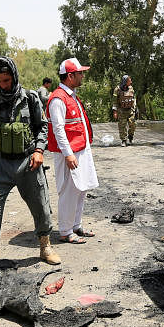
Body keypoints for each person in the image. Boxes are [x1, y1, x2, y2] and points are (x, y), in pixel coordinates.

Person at [0, 56, 61, 279]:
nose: (3, 85)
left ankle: (45, 246)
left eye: (6, 80)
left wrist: (39, 151)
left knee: (41, 207)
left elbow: (42, 127)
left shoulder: (30, 98)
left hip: (27, 161)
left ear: (14, 76)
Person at [46, 58, 99, 244]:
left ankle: (76, 225)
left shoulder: (71, 95)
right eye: (80, 73)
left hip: (80, 149)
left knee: (80, 189)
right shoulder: (58, 99)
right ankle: (66, 230)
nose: (82, 76)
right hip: (69, 153)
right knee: (69, 190)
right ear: (70, 76)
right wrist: (68, 154)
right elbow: (58, 129)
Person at [112, 74, 137, 146]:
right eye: (129, 81)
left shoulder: (131, 88)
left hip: (130, 110)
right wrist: (115, 112)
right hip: (121, 111)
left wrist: (135, 108)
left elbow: (134, 98)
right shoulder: (117, 89)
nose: (131, 82)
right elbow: (114, 101)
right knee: (122, 126)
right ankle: (124, 140)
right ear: (125, 81)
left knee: (133, 124)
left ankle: (130, 136)